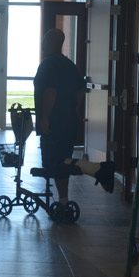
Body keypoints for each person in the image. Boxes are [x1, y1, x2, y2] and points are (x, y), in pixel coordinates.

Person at [34, 28, 115, 208]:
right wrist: (74, 109)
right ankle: (63, 200)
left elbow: (50, 93)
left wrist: (45, 117)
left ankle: (98, 169)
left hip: (55, 122)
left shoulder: (48, 65)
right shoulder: (69, 65)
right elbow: (80, 90)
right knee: (63, 160)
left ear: (50, 43)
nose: (42, 43)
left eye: (45, 40)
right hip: (69, 120)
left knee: (53, 162)